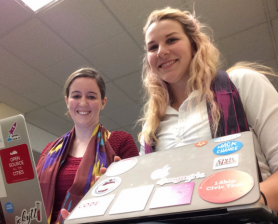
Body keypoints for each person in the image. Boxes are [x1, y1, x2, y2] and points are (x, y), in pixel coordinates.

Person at [139, 7, 278, 212]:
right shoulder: (150, 130)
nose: (161, 51)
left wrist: (248, 204)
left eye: (171, 40)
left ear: (194, 44)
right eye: (152, 47)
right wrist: (119, 185)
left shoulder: (241, 83)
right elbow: (146, 199)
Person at [36, 68, 139, 224]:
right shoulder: (49, 150)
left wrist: (119, 185)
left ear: (103, 102)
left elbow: (137, 197)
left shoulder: (120, 141)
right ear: (67, 101)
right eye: (76, 96)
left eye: (91, 96)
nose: (83, 103)